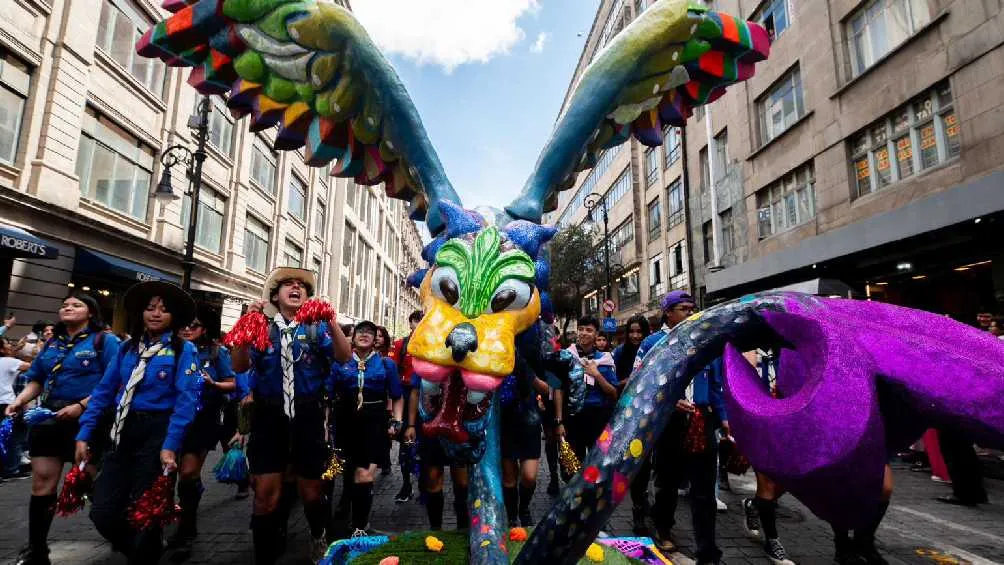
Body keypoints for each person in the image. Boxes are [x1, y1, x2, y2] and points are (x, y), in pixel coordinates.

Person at [230, 267, 351, 564]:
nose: (296, 288)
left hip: (307, 414)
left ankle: (318, 534)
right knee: (264, 495)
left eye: (302, 286)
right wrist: (245, 326)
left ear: (308, 298)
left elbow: (344, 356)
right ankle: (265, 555)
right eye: (288, 285)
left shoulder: (316, 329)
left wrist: (331, 321)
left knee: (311, 491)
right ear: (276, 295)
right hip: (269, 416)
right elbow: (240, 365)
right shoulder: (263, 327)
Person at [74, 282, 200, 565]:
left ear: (174, 317)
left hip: (158, 433)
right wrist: (84, 434)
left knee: (147, 509)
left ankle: (145, 553)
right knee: (102, 512)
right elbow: (104, 392)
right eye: (150, 308)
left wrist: (170, 446)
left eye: (164, 310)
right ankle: (143, 550)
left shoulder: (184, 350)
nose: (155, 314)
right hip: (121, 431)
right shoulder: (126, 349)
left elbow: (186, 400)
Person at [5, 292, 120, 565]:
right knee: (42, 482)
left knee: (89, 482)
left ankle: (120, 533)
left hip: (89, 417)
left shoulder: (106, 341)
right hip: (49, 416)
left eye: (76, 305)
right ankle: (36, 549)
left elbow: (114, 382)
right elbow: (36, 379)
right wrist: (20, 400)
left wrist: (80, 406)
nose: (68, 308)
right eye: (65, 305)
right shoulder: (52, 343)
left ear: (90, 312)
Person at [635, 291, 728, 564]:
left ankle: (707, 549)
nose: (690, 312)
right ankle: (663, 528)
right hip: (669, 422)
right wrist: (669, 401)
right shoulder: (653, 343)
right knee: (667, 482)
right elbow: (642, 384)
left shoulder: (707, 341)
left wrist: (723, 418)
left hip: (702, 421)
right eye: (683, 308)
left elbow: (715, 386)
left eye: (691, 308)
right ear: (668, 313)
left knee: (704, 490)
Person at [167, 317, 237, 559]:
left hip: (202, 420)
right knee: (167, 475)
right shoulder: (169, 349)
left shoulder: (217, 353)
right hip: (170, 419)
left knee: (188, 473)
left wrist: (213, 383)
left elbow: (232, 384)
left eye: (194, 325)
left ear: (204, 329)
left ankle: (187, 530)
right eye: (184, 325)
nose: (187, 329)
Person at [331, 321, 403, 536]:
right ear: (352, 337)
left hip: (374, 425)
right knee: (348, 473)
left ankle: (360, 527)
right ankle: (350, 518)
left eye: (370, 332)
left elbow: (397, 396)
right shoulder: (340, 362)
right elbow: (328, 396)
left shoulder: (386, 364)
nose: (364, 335)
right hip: (345, 423)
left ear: (376, 339)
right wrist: (326, 427)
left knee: (364, 475)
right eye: (360, 331)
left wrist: (397, 421)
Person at [404, 376, 470, 532]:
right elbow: (415, 391)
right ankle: (436, 528)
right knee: (433, 477)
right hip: (430, 423)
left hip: (460, 424)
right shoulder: (427, 356)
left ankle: (463, 528)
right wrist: (411, 425)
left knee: (462, 480)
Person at [555, 316, 618, 467]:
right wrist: (559, 421)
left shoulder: (605, 359)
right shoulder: (565, 356)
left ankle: (591, 490)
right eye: (581, 329)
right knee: (570, 467)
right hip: (572, 418)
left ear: (596, 335)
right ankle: (573, 490)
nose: (584, 333)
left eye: (589, 330)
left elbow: (614, 393)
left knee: (597, 465)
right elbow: (558, 389)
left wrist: (596, 374)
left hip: (597, 418)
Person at [501, 344, 551, 527]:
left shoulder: (529, 360)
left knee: (529, 476)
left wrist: (528, 373)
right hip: (505, 424)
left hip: (528, 423)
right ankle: (512, 515)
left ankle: (524, 507)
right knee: (509, 478)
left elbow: (546, 389)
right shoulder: (495, 364)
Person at [613, 315, 652, 536]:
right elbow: (614, 384)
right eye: (632, 332)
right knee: (640, 463)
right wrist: (630, 381)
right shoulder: (620, 353)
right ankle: (638, 511)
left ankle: (645, 498)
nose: (635, 336)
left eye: (639, 332)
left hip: (654, 411)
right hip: (631, 416)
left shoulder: (651, 348)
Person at [389, 310, 422, 503]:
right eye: (415, 320)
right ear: (410, 323)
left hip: (426, 399)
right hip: (406, 394)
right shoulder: (401, 345)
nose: (418, 324)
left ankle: (425, 485)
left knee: (425, 445)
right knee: (406, 445)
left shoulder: (432, 343)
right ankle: (406, 484)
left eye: (422, 320)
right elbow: (393, 374)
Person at [374, 325, 394, 476]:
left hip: (385, 399)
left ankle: (385, 461)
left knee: (384, 433)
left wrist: (391, 404)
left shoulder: (389, 357)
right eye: (375, 335)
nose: (376, 338)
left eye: (380, 335)